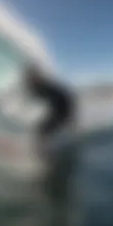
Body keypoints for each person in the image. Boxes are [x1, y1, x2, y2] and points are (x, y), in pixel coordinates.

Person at [25, 64, 76, 204]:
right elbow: (29, 96)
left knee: (41, 130)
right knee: (41, 130)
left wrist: (70, 118)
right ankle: (45, 153)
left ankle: (45, 159)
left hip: (63, 111)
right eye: (30, 78)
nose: (31, 80)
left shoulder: (49, 86)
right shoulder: (34, 87)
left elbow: (67, 97)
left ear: (38, 78)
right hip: (55, 111)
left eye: (34, 78)